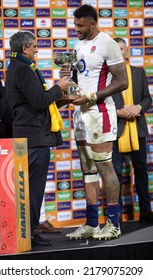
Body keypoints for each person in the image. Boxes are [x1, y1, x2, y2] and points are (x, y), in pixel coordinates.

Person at [63, 4, 128, 240]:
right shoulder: (78, 44)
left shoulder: (107, 43)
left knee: (104, 167)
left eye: (81, 25)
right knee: (88, 170)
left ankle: (113, 223)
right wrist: (67, 88)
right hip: (81, 115)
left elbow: (122, 82)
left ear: (93, 23)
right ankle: (91, 223)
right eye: (75, 24)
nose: (76, 28)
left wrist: (92, 96)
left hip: (100, 113)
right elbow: (77, 77)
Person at [5, 30, 68, 246]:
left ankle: (27, 231)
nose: (36, 50)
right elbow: (40, 100)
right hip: (33, 137)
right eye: (34, 46)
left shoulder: (17, 66)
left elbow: (36, 101)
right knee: (33, 188)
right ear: (24, 48)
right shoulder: (23, 69)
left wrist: (60, 97)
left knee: (28, 188)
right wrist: (59, 88)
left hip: (29, 135)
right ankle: (29, 232)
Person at [112, 37, 153, 223]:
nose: (120, 52)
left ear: (126, 51)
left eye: (122, 48)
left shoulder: (138, 72)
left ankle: (146, 211)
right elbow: (103, 103)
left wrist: (138, 108)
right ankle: (116, 216)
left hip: (138, 129)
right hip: (116, 130)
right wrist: (118, 112)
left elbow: (147, 99)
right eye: (116, 49)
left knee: (141, 172)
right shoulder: (107, 76)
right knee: (115, 174)